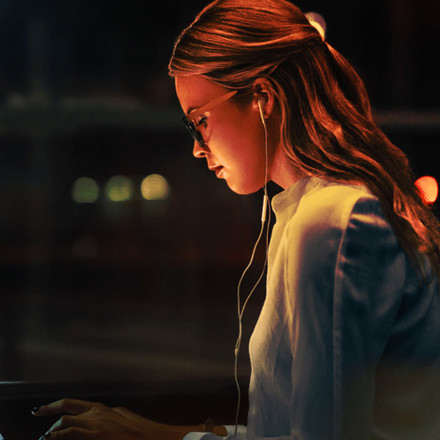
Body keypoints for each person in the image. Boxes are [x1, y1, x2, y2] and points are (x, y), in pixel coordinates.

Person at [32, 0, 440, 439]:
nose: (196, 147)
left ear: (263, 98)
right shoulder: (310, 213)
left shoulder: (332, 221)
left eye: (199, 121)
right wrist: (148, 432)